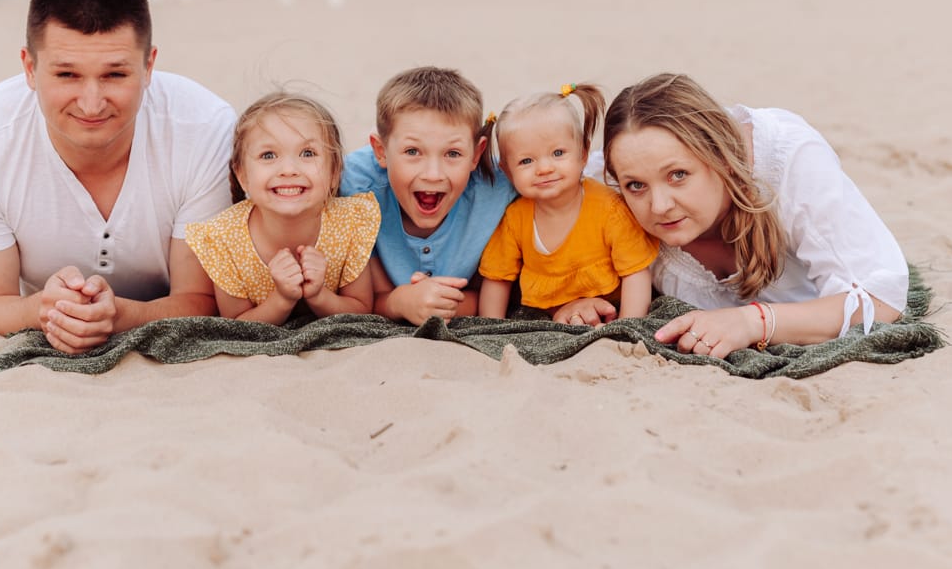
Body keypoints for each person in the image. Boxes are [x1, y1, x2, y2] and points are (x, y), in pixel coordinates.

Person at [0, 0, 236, 354]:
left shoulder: (207, 130)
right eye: (68, 75)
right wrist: (38, 311)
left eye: (114, 75)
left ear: (148, 67)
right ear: (29, 68)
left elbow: (204, 300)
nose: (91, 104)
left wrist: (122, 316)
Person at [589, 73, 908, 358]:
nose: (659, 206)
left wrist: (752, 322)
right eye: (636, 185)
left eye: (678, 175)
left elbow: (880, 299)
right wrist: (574, 302)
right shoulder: (609, 185)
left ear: (724, 159)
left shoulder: (788, 159)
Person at [340, 66, 517, 324]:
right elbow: (364, 298)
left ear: (477, 154)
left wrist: (437, 304)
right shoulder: (354, 188)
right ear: (380, 151)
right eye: (412, 152)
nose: (433, 174)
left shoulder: (501, 189)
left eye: (453, 153)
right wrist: (401, 301)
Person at [185, 93, 378, 324]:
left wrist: (319, 296)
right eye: (268, 155)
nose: (288, 169)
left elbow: (362, 308)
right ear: (242, 175)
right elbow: (236, 323)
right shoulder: (223, 239)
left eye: (308, 153)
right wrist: (282, 299)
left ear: (335, 172)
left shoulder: (350, 223)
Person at [478, 83, 658, 323]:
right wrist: (491, 325)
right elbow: (497, 278)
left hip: (611, 310)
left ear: (583, 153)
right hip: (550, 313)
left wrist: (628, 326)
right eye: (526, 161)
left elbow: (636, 273)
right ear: (508, 171)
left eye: (558, 153)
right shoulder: (516, 218)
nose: (544, 168)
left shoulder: (609, 209)